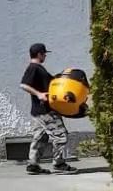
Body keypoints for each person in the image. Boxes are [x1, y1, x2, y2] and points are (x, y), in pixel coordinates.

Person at [20, 42, 74, 174]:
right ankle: (59, 164)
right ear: (39, 54)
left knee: (40, 138)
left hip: (39, 111)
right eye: (44, 54)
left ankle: (33, 165)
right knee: (61, 135)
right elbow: (24, 85)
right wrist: (39, 94)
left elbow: (52, 83)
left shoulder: (39, 69)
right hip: (45, 111)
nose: (45, 56)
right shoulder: (34, 68)